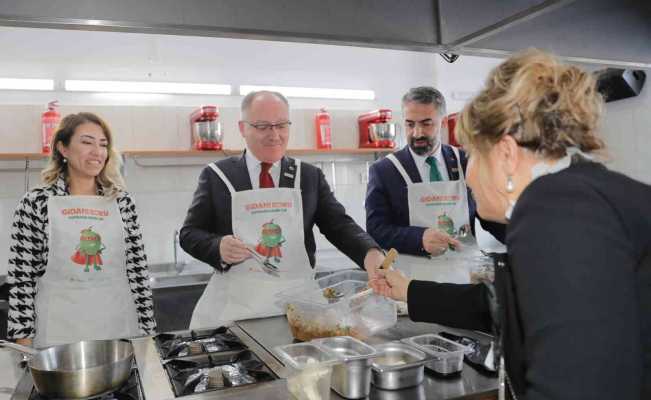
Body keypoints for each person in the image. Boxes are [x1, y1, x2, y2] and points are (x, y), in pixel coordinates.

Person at [371, 49, 651, 399]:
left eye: (473, 155)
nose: (468, 175)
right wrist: (410, 290)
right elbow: (509, 303)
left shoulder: (555, 211)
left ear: (505, 153)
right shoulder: (581, 193)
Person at [180, 90, 385, 329]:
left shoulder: (309, 176)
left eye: (281, 125)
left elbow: (340, 226)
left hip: (299, 305)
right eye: (262, 126)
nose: (274, 135)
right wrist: (218, 247)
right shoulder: (218, 176)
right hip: (236, 306)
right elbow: (190, 234)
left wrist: (370, 253)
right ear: (242, 128)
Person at [7, 112, 156, 348]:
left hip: (119, 333)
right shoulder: (36, 202)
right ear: (63, 149)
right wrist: (24, 348)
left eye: (103, 144)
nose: (97, 152)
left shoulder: (122, 202)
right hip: (57, 338)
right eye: (87, 142)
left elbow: (138, 274)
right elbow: (22, 280)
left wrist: (148, 336)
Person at [365, 86, 505, 257]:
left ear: (444, 122)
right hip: (410, 276)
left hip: (464, 273)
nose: (417, 133)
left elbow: (490, 215)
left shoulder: (466, 162)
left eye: (426, 123)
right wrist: (418, 239)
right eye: (410, 124)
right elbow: (376, 229)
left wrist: (525, 239)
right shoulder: (385, 171)